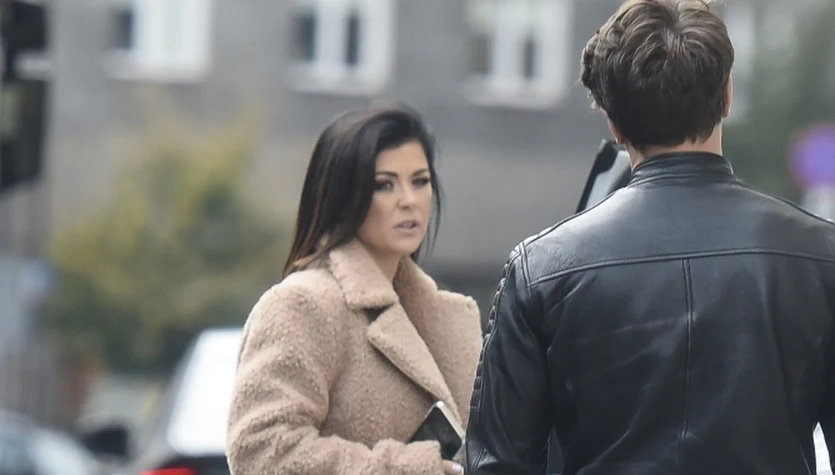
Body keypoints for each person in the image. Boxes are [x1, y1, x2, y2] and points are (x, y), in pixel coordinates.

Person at [465, 0, 835, 474]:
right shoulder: (820, 255)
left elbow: (498, 465)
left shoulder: (542, 270)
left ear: (613, 122)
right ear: (727, 96)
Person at [227, 104, 481, 475]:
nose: (409, 200)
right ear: (344, 197)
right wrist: (403, 470)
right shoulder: (302, 305)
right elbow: (262, 451)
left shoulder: (445, 318)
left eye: (420, 181)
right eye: (385, 185)